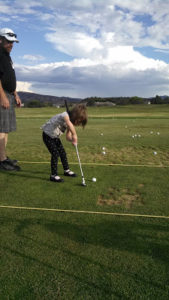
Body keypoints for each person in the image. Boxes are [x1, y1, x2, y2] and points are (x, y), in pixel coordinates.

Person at [42, 103, 87, 182]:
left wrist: (72, 140)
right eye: (79, 121)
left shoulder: (71, 124)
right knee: (55, 153)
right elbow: (69, 124)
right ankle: (53, 175)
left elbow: (67, 137)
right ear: (75, 116)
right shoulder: (65, 115)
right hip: (47, 136)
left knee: (63, 153)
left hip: (55, 137)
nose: (78, 124)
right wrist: (75, 135)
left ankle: (66, 170)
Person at [0, 28, 21, 171]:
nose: (11, 45)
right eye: (8, 42)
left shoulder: (7, 56)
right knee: (1, 129)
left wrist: (15, 94)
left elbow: (9, 77)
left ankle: (4, 157)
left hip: (9, 93)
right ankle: (1, 161)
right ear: (0, 40)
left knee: (5, 129)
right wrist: (2, 97)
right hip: (2, 95)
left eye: (12, 43)